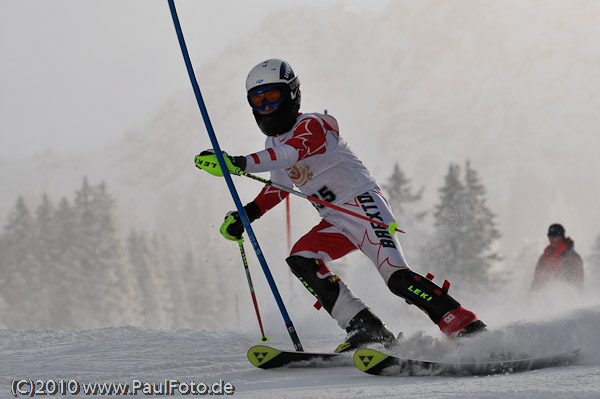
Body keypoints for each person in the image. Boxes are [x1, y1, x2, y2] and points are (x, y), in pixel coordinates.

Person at [195, 59, 486, 352]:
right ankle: (365, 327)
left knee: (396, 277)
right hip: (335, 219)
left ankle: (466, 326)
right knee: (301, 258)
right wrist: (247, 214)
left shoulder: (315, 125)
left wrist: (237, 162)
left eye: (273, 96)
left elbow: (290, 155)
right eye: (258, 100)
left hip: (364, 206)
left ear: (292, 94)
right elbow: (279, 186)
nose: (267, 106)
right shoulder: (273, 142)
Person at [530, 223, 584, 291]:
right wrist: (531, 297)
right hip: (544, 298)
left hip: (567, 297)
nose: (551, 238)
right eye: (549, 236)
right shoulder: (543, 258)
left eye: (554, 235)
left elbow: (578, 282)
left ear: (561, 237)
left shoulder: (573, 257)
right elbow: (536, 281)